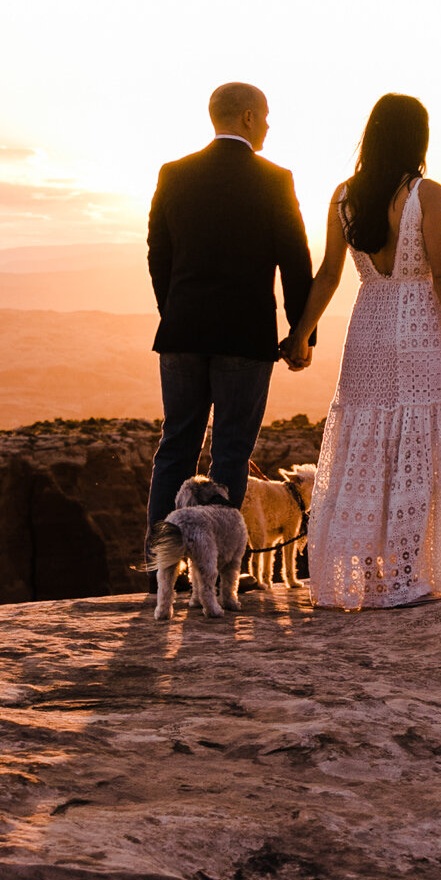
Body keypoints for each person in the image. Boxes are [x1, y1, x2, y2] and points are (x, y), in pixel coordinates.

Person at [284, 93, 441, 608]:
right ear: (418, 137)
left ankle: (366, 575)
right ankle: (406, 578)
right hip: (418, 333)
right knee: (414, 452)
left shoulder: (344, 196)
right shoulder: (426, 194)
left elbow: (329, 274)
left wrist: (301, 334)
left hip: (367, 326)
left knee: (365, 450)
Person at [143, 82, 314, 551]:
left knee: (175, 448)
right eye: (265, 116)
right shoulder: (274, 179)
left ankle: (162, 561)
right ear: (246, 118)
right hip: (245, 337)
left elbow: (159, 254)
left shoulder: (173, 173)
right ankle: (217, 570)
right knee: (231, 453)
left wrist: (174, 311)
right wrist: (301, 334)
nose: (268, 125)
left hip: (181, 333)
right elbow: (296, 261)